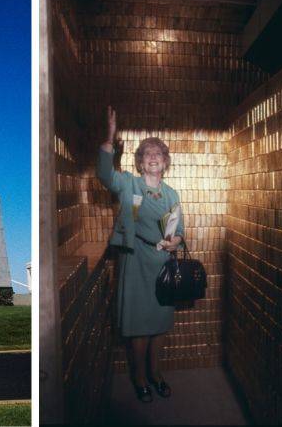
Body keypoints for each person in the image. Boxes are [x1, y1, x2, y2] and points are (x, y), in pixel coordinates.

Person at [97, 105, 184, 402]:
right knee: (140, 328)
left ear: (165, 162)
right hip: (135, 263)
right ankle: (139, 377)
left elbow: (178, 229)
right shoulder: (129, 184)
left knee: (159, 325)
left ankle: (156, 373)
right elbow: (105, 174)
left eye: (158, 154)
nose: (153, 157)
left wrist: (176, 241)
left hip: (162, 264)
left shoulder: (172, 194)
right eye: (147, 154)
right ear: (140, 162)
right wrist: (110, 137)